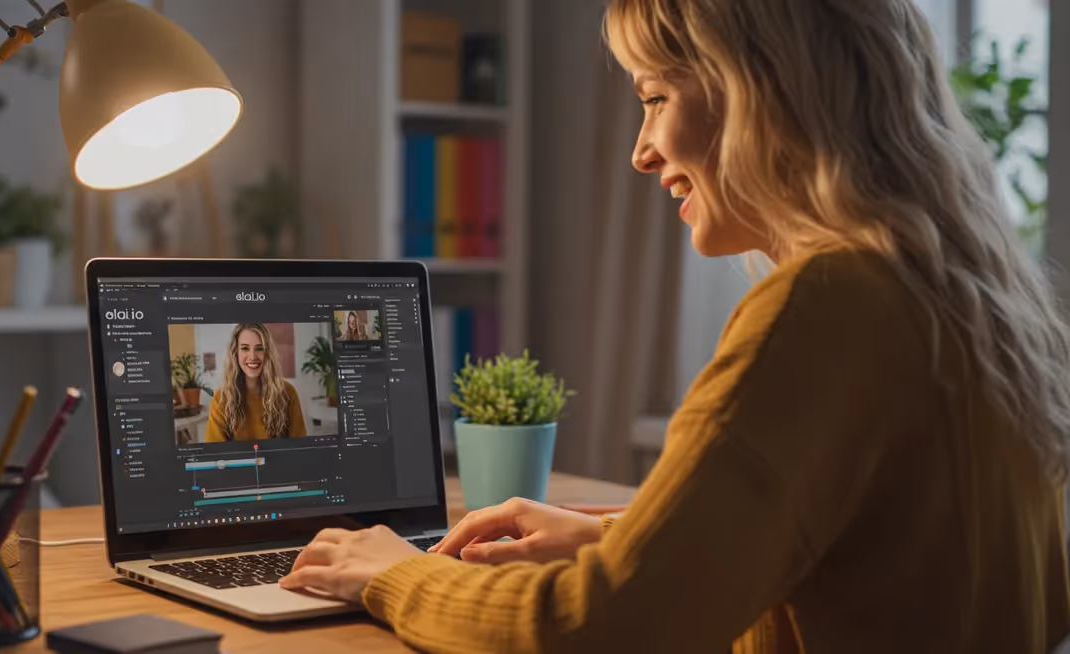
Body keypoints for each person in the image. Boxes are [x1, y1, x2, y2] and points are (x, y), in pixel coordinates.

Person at [279, 0, 1070, 651]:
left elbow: (597, 627)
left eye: (655, 98)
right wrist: (617, 539)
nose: (641, 153)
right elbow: (879, 553)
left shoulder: (825, 307)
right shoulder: (958, 300)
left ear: (759, 89)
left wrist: (388, 572)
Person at [204, 323, 306, 441]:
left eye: (259, 348)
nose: (252, 356)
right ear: (235, 353)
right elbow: (216, 452)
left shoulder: (288, 393)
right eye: (245, 348)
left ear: (267, 353)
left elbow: (299, 447)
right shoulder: (221, 397)